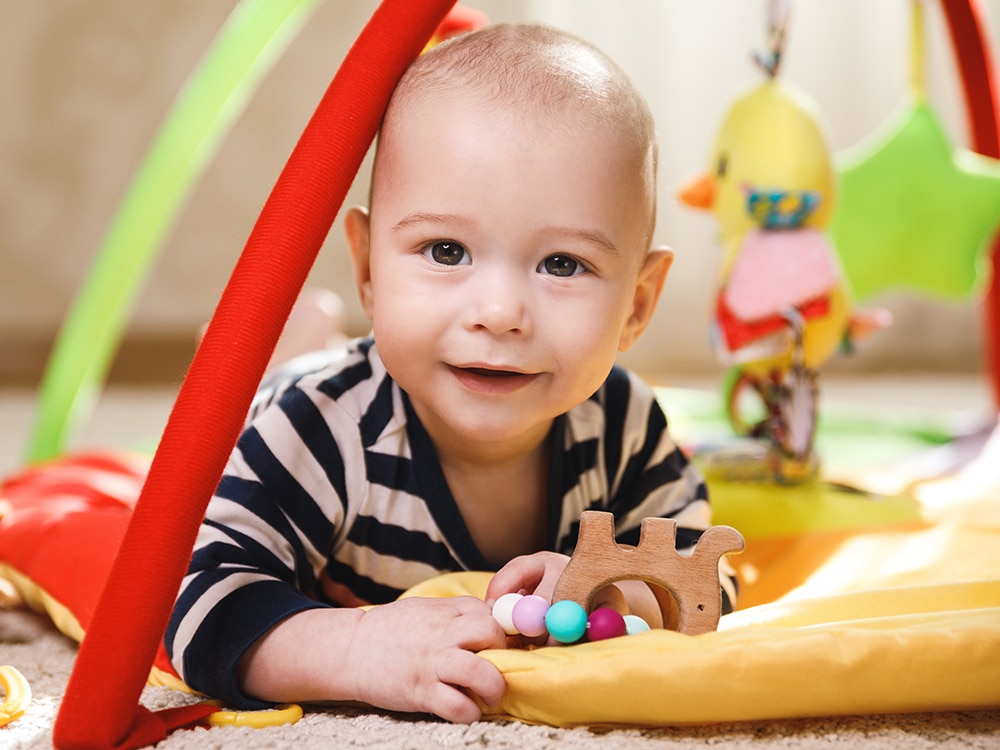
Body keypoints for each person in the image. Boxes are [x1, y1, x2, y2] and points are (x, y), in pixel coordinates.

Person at [166, 22, 736, 725]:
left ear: (637, 305)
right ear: (369, 266)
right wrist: (355, 648)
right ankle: (296, 347)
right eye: (445, 250)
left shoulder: (622, 420)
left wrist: (616, 593)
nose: (499, 313)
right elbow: (197, 605)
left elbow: (705, 574)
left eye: (562, 264)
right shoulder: (320, 429)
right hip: (301, 395)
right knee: (266, 396)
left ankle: (320, 330)